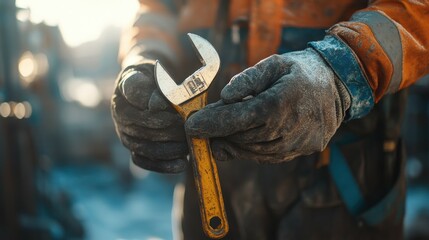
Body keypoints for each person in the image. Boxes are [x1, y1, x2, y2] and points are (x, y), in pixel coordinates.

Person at [111, 0, 429, 239]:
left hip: (344, 174)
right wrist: (146, 57)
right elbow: (157, 9)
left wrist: (343, 68)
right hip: (209, 167)